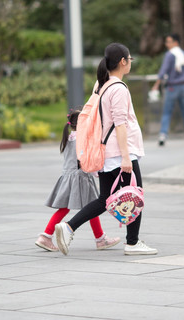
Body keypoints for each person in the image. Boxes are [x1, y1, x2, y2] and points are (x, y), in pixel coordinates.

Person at [55, 43, 158, 256]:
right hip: (119, 153)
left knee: (105, 198)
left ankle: (69, 227)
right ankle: (132, 243)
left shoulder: (101, 85)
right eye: (130, 59)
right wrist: (127, 158)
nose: (130, 63)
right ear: (123, 62)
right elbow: (120, 125)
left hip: (106, 152)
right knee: (134, 195)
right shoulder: (118, 88)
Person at [35, 109, 121, 252]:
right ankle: (47, 236)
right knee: (91, 207)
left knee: (77, 208)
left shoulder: (69, 138)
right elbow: (85, 160)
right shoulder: (82, 139)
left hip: (68, 178)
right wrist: (97, 173)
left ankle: (99, 238)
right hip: (81, 178)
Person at [152, 34, 184, 146]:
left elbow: (163, 71)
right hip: (183, 86)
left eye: (169, 42)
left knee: (167, 112)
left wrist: (156, 85)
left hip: (172, 87)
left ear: (176, 42)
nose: (167, 44)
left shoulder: (169, 55)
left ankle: (163, 134)